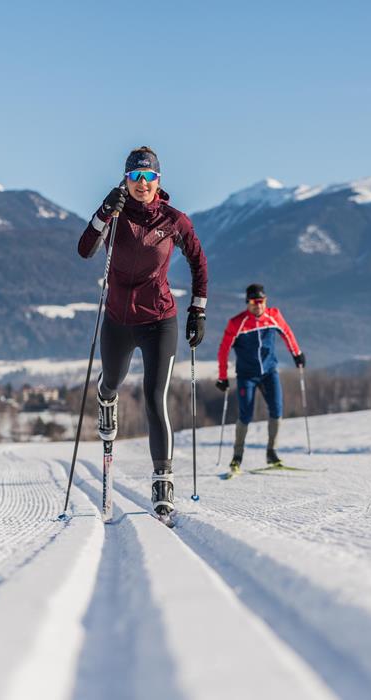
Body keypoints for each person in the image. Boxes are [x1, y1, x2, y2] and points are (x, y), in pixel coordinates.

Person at [78, 146, 207, 516]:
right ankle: (106, 397)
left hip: (159, 321)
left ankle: (163, 481)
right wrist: (103, 211)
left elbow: (199, 261)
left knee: (154, 397)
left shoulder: (173, 220)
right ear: (126, 179)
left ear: (158, 180)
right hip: (118, 320)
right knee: (112, 381)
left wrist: (198, 309)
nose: (142, 184)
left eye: (149, 177)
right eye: (135, 177)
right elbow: (85, 249)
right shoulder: (115, 216)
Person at [216, 283, 305, 474]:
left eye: (262, 301)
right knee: (245, 415)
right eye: (255, 302)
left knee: (277, 410)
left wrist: (297, 354)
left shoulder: (274, 316)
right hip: (246, 375)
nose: (259, 305)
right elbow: (224, 350)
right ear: (247, 303)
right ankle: (237, 457)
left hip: (269, 372)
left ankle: (271, 452)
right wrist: (223, 377)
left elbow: (287, 333)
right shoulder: (237, 323)